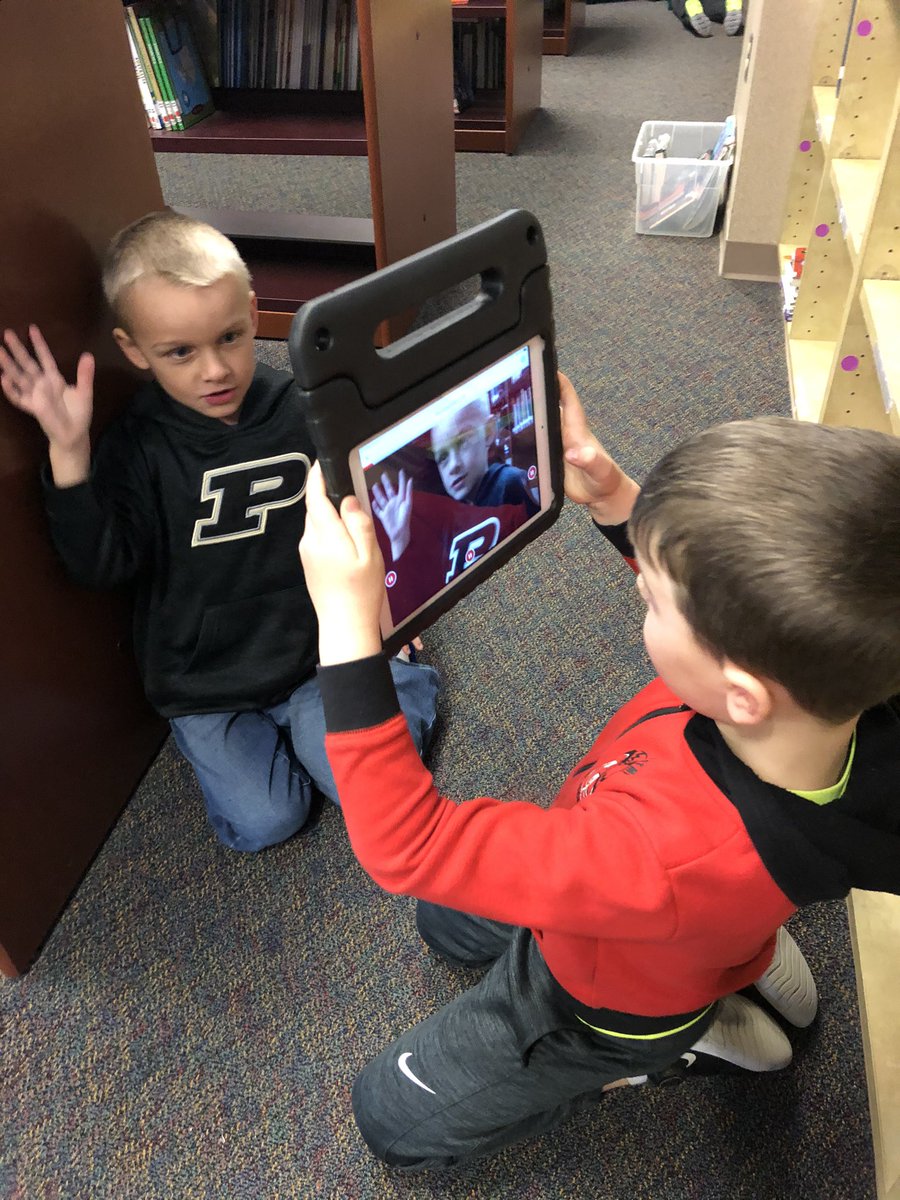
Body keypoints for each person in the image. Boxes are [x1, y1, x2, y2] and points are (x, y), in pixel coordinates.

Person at [297, 373, 900, 1170]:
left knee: (390, 1121)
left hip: (603, 998)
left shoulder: (661, 857)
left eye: (652, 600)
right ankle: (735, 960)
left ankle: (669, 1050)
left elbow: (409, 846)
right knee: (446, 924)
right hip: (688, 916)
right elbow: (732, 610)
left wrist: (346, 629)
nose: (640, 594)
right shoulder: (839, 696)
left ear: (742, 694)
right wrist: (613, 492)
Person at [0, 209, 440, 854]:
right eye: (180, 352)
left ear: (254, 312)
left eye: (230, 337)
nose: (215, 370)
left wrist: (387, 605)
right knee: (265, 822)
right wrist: (68, 451)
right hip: (205, 682)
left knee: (367, 790)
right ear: (133, 351)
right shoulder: (136, 446)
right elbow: (100, 565)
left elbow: (364, 510)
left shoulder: (300, 411)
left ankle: (400, 685)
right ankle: (298, 739)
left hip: (313, 653)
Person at [370, 396, 540, 622]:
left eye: (463, 441)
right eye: (442, 457)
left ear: (489, 432)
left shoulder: (506, 482)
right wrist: (400, 539)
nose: (453, 465)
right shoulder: (458, 511)